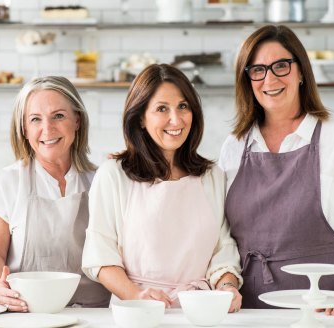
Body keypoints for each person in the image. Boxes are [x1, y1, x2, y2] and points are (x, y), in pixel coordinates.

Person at [219, 25, 334, 315]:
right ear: (247, 79)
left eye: (281, 66)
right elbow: (221, 232)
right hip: (250, 311)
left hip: (328, 308)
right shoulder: (235, 145)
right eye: (257, 70)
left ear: (301, 72)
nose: (269, 78)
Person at [82, 64, 243, 312]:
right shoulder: (114, 175)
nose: (176, 119)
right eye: (161, 109)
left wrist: (227, 286)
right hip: (138, 313)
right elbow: (100, 258)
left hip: (202, 312)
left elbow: (223, 249)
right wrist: (138, 296)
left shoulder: (212, 176)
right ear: (141, 119)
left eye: (183, 106)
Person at [0, 76, 111, 311]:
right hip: (27, 315)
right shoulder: (6, 183)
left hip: (93, 315)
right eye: (35, 119)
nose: (47, 129)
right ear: (24, 129)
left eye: (58, 116)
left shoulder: (101, 180)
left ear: (77, 120)